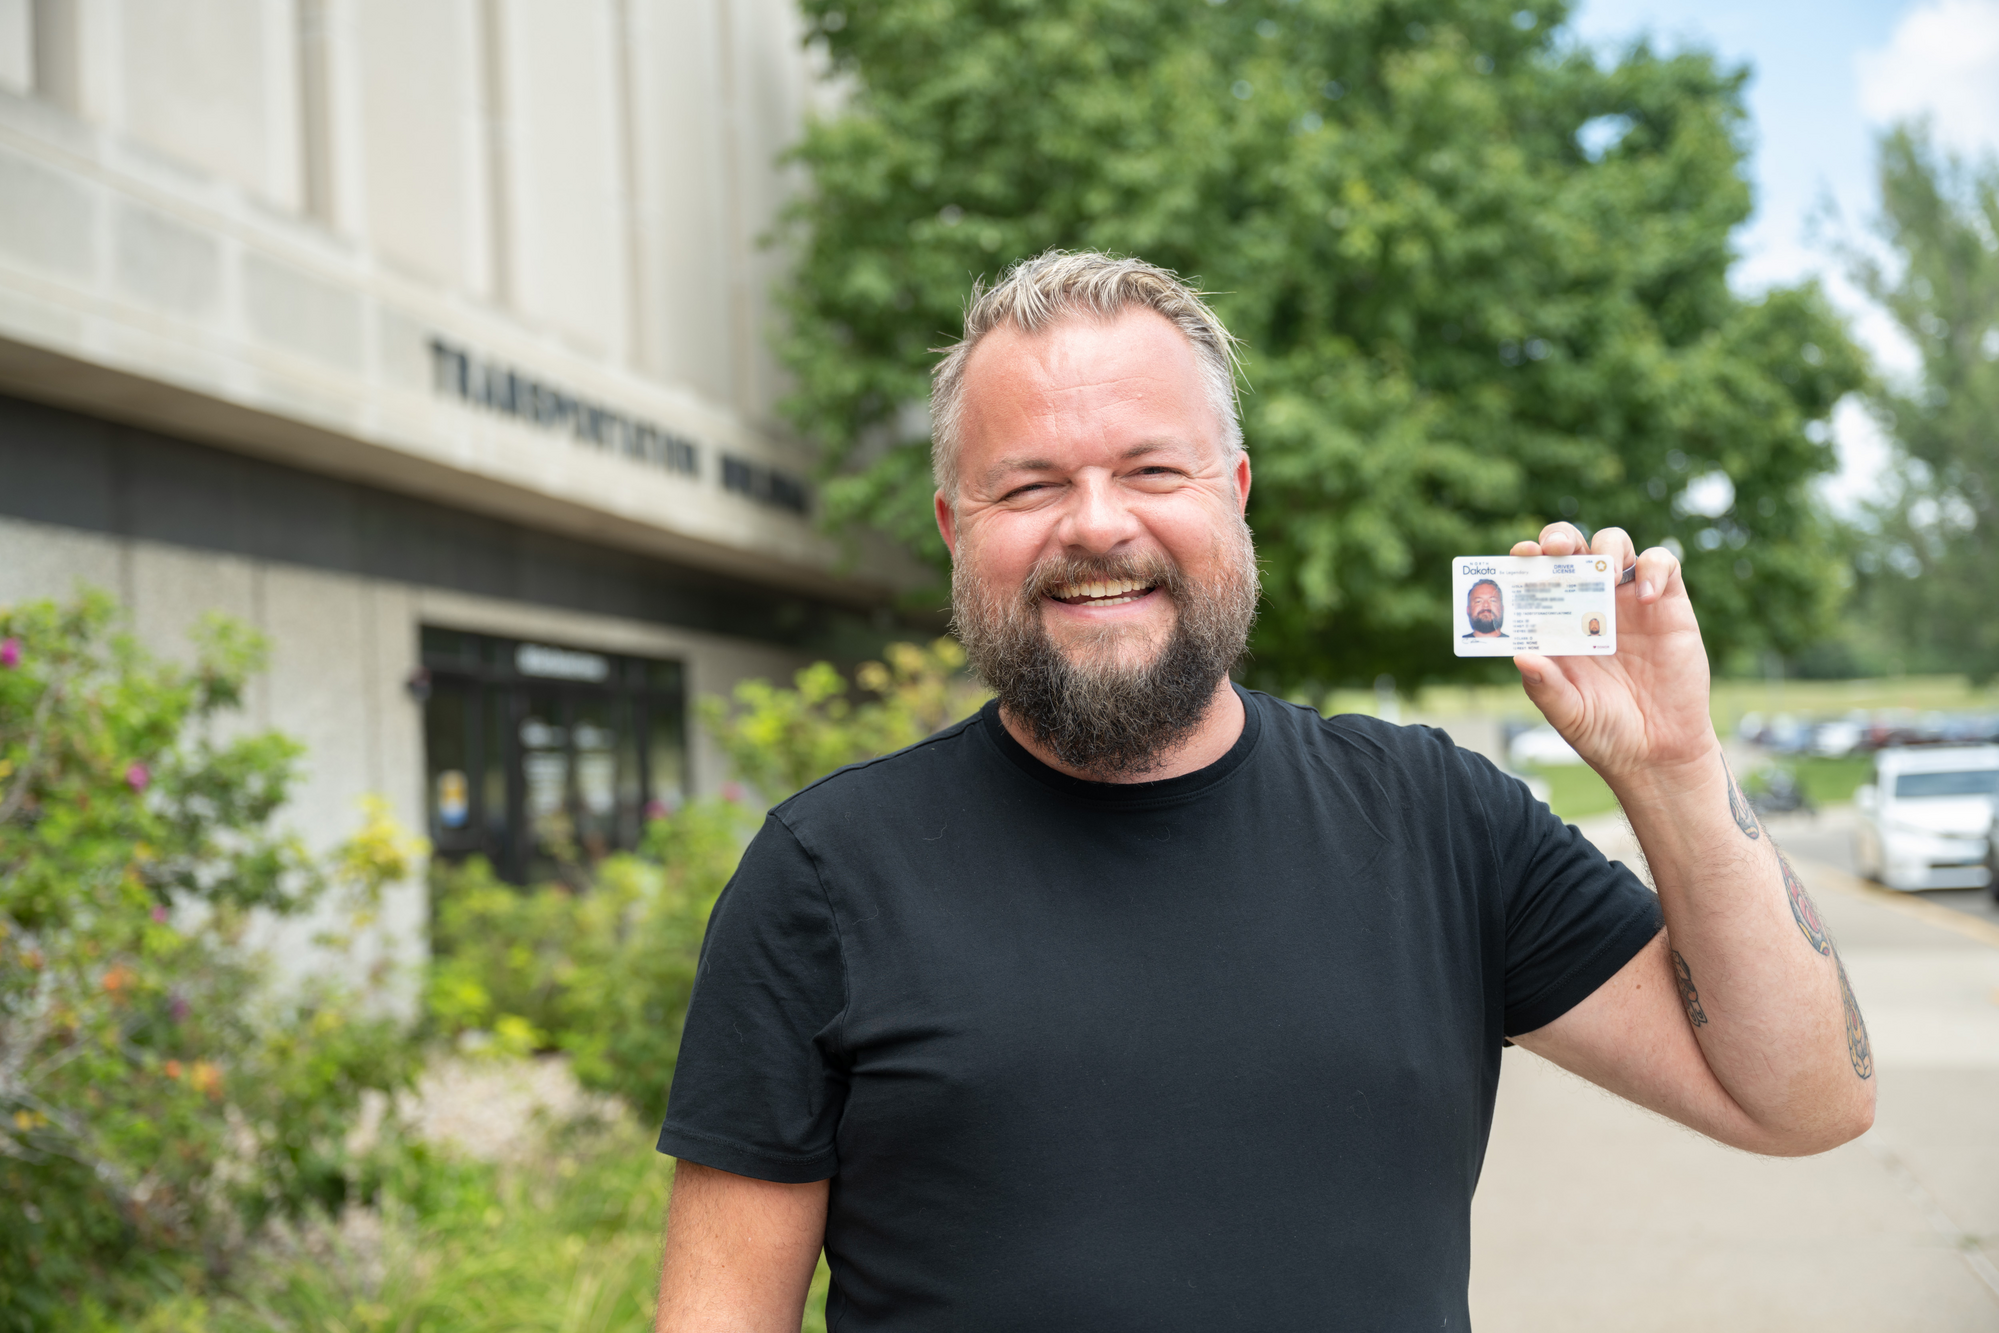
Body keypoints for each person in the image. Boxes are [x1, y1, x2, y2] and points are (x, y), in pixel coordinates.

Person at [651, 251, 1874, 1332]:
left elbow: (1804, 1098)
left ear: (1233, 494)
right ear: (951, 526)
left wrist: (1672, 766)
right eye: (1027, 487)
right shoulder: (823, 875)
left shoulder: (1435, 823)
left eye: (1150, 468)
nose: (1095, 525)